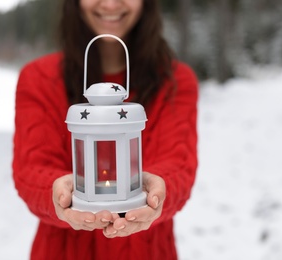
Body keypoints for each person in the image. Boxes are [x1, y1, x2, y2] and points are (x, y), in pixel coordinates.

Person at [12, 0, 198, 259]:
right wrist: (59, 193)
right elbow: (31, 167)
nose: (110, 4)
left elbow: (178, 162)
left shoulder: (175, 80)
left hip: (148, 251)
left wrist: (157, 189)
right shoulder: (38, 79)